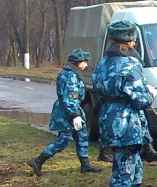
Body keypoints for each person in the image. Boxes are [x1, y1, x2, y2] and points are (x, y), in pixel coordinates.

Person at [92, 20, 155, 187]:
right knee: (125, 170)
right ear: (131, 41)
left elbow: (98, 91)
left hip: (109, 118)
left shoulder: (102, 63)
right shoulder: (131, 64)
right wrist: (151, 93)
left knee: (133, 166)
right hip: (127, 121)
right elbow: (141, 100)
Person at [28, 48, 102, 177]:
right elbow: (69, 99)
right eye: (84, 62)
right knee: (63, 141)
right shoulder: (70, 76)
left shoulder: (72, 73)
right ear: (77, 62)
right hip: (67, 113)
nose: (86, 64)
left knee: (82, 137)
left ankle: (85, 165)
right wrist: (74, 115)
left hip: (74, 110)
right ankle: (38, 161)